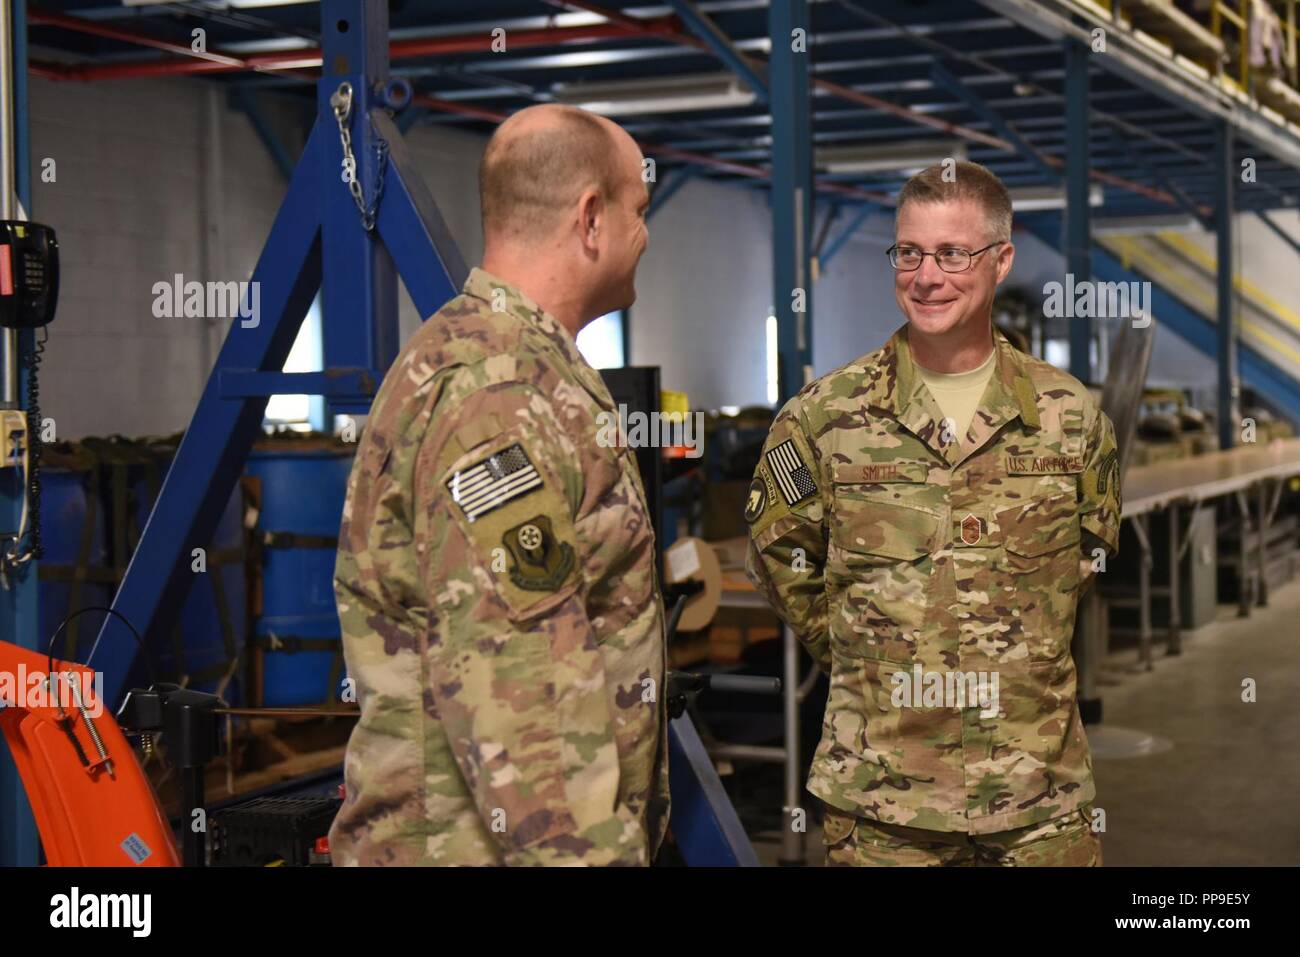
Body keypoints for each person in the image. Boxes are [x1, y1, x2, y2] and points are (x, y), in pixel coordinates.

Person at [746, 161, 1121, 866]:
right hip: (885, 807)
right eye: (909, 252)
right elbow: (782, 558)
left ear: (1001, 259)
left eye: (952, 253)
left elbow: (1084, 560)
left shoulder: (1068, 418)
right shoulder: (826, 417)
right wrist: (872, 655)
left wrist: (1011, 654)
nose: (926, 275)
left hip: (1036, 801)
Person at [330, 103, 667, 866]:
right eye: (638, 211)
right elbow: (524, 702)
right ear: (590, 219)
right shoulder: (499, 393)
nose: (645, 236)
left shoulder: (515, 365)